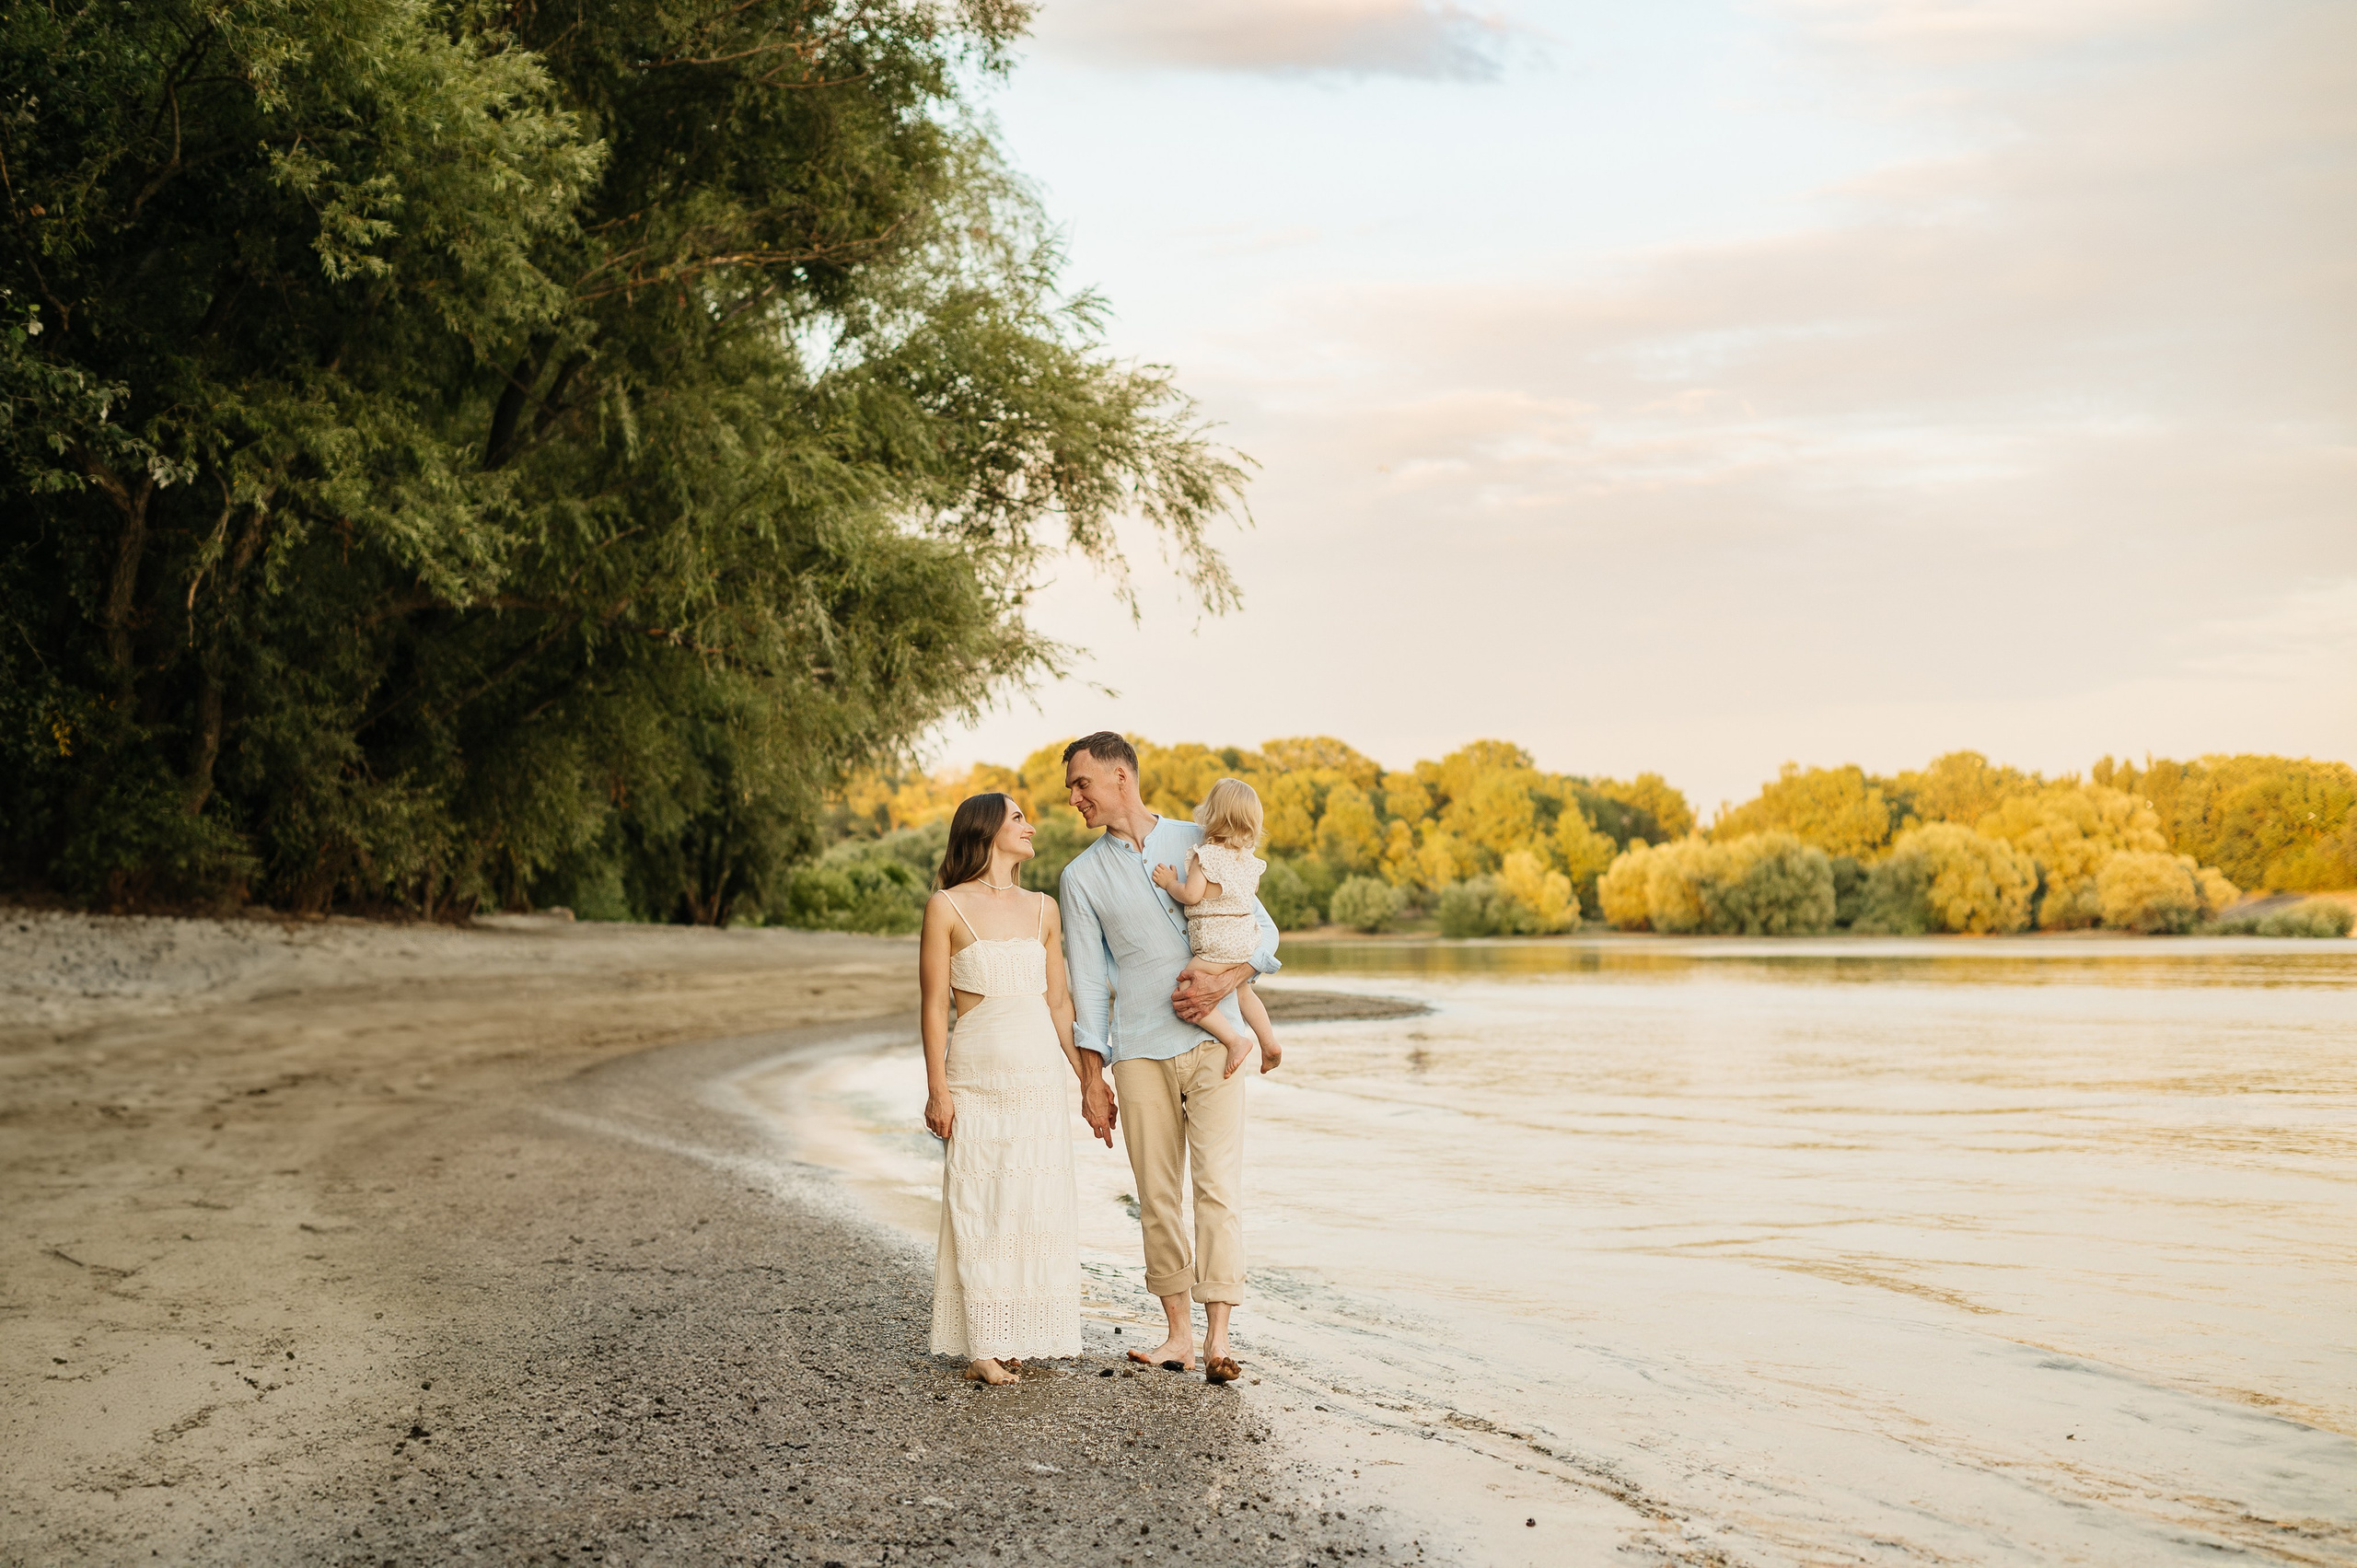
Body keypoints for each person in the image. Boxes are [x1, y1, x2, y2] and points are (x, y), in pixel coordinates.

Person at [1057, 732, 1282, 1386]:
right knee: (1157, 1197)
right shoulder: (1079, 877)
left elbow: (1262, 929)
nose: (1075, 797)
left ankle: (1218, 1341)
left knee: (1217, 1189)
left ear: (1120, 775)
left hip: (1217, 1044)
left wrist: (1226, 978)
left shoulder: (1200, 837)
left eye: (1082, 783)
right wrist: (1090, 1076)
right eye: (1072, 788)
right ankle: (1178, 1336)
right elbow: (1089, 982)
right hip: (1139, 1051)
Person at [919, 792, 1101, 1387]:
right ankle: (980, 1344)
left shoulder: (1044, 908)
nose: (1030, 825)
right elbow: (932, 1008)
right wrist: (937, 1089)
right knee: (980, 1202)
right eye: (1018, 817)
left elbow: (1058, 1003)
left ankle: (1011, 1334)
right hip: (977, 1076)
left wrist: (1089, 1082)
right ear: (986, 829)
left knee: (1031, 1204)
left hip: (1037, 1079)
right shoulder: (945, 906)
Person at [1151, 777, 1283, 1080]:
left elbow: (1191, 895)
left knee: (1187, 987)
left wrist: (1170, 882)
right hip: (1246, 943)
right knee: (1243, 991)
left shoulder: (1205, 857)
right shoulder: (1249, 863)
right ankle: (1269, 1042)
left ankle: (1236, 1040)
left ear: (1210, 815)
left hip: (1215, 947)